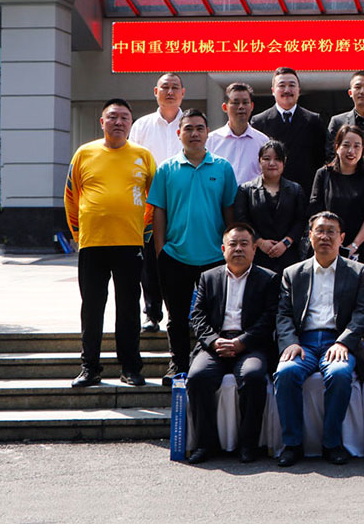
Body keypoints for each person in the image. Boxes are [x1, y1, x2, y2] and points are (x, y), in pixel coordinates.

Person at [65, 98, 156, 388]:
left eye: (124, 118)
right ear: (102, 121)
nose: (118, 122)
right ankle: (89, 367)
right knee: (92, 307)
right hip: (93, 244)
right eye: (113, 117)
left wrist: (144, 234)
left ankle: (130, 367)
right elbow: (71, 196)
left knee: (128, 308)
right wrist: (78, 235)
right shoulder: (84, 153)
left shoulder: (143, 155)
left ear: (131, 124)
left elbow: (154, 200)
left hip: (130, 244)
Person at [273, 212, 364, 467]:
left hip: (338, 341)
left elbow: (362, 313)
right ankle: (292, 444)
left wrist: (343, 342)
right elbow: (283, 314)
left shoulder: (358, 271)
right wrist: (290, 342)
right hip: (303, 342)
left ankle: (332, 443)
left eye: (331, 232)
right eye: (319, 231)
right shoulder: (293, 273)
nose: (325, 236)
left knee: (339, 374)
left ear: (342, 238)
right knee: (285, 373)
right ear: (310, 236)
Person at [148, 109, 238, 386]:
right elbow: (159, 212)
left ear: (207, 133)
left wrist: (230, 251)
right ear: (179, 133)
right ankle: (178, 364)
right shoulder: (166, 169)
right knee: (176, 317)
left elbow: (230, 212)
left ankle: (209, 362)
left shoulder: (222, 168)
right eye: (188, 128)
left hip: (214, 257)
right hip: (175, 256)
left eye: (200, 128)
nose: (194, 133)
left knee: (214, 316)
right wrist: (161, 251)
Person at [185, 223, 279, 465]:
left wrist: (242, 342)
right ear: (223, 249)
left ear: (254, 249)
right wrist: (214, 341)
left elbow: (269, 318)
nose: (238, 249)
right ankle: (205, 444)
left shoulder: (268, 279)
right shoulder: (208, 277)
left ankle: (248, 445)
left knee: (254, 376)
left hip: (250, 344)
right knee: (197, 377)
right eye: (233, 244)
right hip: (215, 344)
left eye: (244, 244)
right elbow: (197, 316)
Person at [129, 72, 185, 333]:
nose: (170, 92)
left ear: (183, 93)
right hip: (150, 204)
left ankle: (183, 312)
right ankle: (152, 314)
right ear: (156, 91)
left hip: (184, 201)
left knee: (183, 259)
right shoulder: (142, 125)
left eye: (175, 87)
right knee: (150, 261)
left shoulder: (190, 122)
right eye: (165, 87)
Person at [310, 124, 364, 270]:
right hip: (327, 245)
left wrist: (353, 246)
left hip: (360, 247)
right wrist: (331, 242)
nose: (351, 151)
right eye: (346, 145)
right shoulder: (324, 174)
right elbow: (315, 212)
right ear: (337, 147)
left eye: (357, 146)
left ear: (363, 149)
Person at [233, 140, 307, 274]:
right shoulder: (245, 190)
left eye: (277, 159)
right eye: (267, 159)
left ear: (284, 162)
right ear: (259, 161)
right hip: (257, 255)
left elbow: (301, 221)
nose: (272, 163)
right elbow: (241, 220)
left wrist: (285, 243)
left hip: (288, 255)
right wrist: (260, 242)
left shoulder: (296, 190)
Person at [250, 67, 327, 195]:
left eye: (292, 85)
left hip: (305, 193)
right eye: (282, 85)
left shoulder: (313, 121)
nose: (287, 90)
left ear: (299, 90)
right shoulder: (259, 122)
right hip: (270, 194)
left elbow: (320, 159)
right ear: (273, 91)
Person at [208, 82, 269, 185]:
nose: (241, 107)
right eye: (235, 103)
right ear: (225, 107)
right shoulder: (211, 141)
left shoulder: (263, 142)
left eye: (245, 102)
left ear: (252, 106)